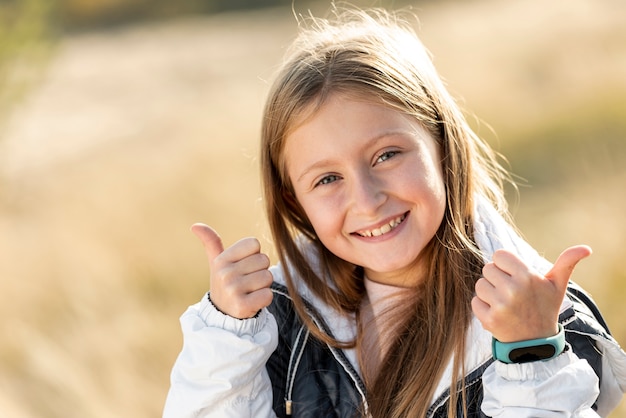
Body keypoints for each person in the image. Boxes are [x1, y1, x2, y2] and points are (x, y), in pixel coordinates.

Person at [163, 7, 626, 418]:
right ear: (293, 202)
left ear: (443, 147)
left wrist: (530, 354)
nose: (366, 200)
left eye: (387, 155)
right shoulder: (275, 317)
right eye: (327, 179)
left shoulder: (539, 314)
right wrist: (226, 339)